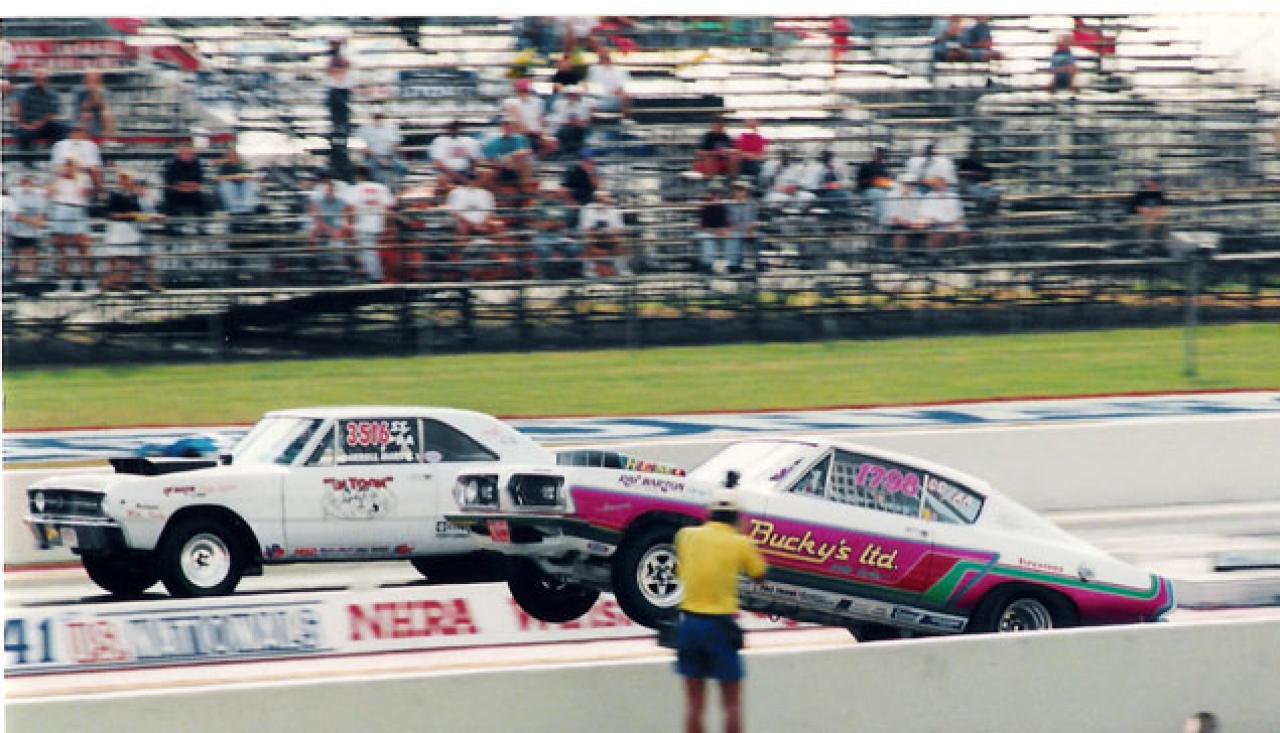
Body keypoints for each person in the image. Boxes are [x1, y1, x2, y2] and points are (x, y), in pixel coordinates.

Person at [673, 485, 767, 733]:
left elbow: (679, 571)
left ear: (709, 513)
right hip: (720, 627)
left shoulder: (686, 536)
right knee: (731, 704)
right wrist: (742, 537)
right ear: (737, 517)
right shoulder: (740, 542)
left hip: (689, 625)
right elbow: (759, 574)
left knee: (694, 705)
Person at [102, 169, 158, 291]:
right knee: (113, 258)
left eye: (127, 180)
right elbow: (111, 215)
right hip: (117, 228)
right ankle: (106, 284)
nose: (125, 182)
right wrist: (128, 215)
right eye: (123, 180)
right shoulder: (114, 194)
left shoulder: (134, 196)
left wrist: (149, 218)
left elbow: (137, 215)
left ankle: (123, 283)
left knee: (131, 259)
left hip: (131, 229)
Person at [47, 157, 95, 291]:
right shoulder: (58, 179)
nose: (68, 167)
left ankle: (88, 283)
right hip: (61, 209)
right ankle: (65, 284)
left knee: (83, 247)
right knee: (61, 248)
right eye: (66, 165)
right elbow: (49, 193)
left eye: (71, 165)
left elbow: (86, 193)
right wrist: (59, 177)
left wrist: (75, 178)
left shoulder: (84, 178)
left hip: (78, 210)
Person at [345, 165, 396, 282]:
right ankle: (372, 275)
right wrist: (388, 225)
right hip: (379, 225)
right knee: (371, 252)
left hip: (362, 226)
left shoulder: (354, 189)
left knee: (368, 252)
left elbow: (350, 209)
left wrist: (350, 226)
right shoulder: (381, 188)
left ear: (357, 176)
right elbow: (389, 207)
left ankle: (376, 278)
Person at [11, 69, 68, 154]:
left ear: (47, 80)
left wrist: (40, 123)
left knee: (63, 128)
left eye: (44, 79)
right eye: (38, 79)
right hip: (26, 125)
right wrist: (23, 124)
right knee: (24, 134)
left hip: (44, 124)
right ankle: (27, 158)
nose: (41, 82)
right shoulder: (23, 93)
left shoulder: (53, 94)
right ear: (33, 79)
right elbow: (16, 109)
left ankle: (55, 153)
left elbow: (53, 113)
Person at [308, 171, 356, 270]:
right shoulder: (318, 197)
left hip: (336, 223)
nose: (329, 191)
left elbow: (349, 212)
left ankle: (347, 261)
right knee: (313, 231)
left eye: (331, 189)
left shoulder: (341, 197)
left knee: (346, 231)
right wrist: (328, 229)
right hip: (323, 224)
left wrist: (345, 226)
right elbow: (315, 216)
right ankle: (314, 260)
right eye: (327, 189)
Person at [6, 173, 48, 283]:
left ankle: (32, 278)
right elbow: (15, 216)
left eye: (29, 183)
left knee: (32, 255)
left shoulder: (39, 196)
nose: (27, 185)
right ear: (21, 183)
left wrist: (37, 222)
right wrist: (32, 221)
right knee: (16, 256)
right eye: (25, 183)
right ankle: (15, 280)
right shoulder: (14, 194)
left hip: (32, 233)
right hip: (16, 232)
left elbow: (41, 215)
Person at [503, 78, 557, 157]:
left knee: (552, 141)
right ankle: (532, 155)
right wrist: (531, 132)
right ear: (517, 91)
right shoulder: (511, 103)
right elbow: (517, 121)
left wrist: (543, 134)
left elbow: (541, 120)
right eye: (521, 90)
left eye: (525, 90)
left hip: (536, 133)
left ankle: (540, 156)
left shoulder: (538, 102)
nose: (523, 92)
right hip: (521, 133)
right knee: (526, 141)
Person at [578, 189, 626, 276]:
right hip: (593, 236)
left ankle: (621, 269)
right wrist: (600, 232)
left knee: (618, 240)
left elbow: (620, 228)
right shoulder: (588, 209)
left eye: (608, 196)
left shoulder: (613, 210)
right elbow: (586, 229)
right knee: (589, 240)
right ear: (598, 198)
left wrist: (607, 232)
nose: (609, 198)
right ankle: (589, 270)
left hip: (609, 236)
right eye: (606, 197)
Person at [357, 111, 406, 192]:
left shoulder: (392, 128)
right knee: (376, 172)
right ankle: (383, 189)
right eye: (376, 117)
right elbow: (363, 148)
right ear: (371, 118)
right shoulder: (363, 129)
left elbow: (396, 145)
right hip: (372, 157)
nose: (378, 119)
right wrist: (380, 160)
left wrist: (390, 158)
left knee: (402, 167)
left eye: (381, 117)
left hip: (390, 156)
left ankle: (397, 187)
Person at [163, 144, 209, 228]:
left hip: (192, 192)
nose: (188, 155)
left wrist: (182, 184)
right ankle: (172, 226)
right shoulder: (171, 163)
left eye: (190, 153)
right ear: (179, 154)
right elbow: (170, 184)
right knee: (169, 195)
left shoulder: (197, 164)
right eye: (185, 153)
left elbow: (199, 184)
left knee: (203, 198)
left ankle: (202, 226)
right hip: (176, 192)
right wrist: (188, 185)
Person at [445, 170, 502, 237]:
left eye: (475, 178)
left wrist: (483, 224)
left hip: (483, 223)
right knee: (462, 226)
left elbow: (490, 213)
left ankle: (495, 243)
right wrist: (472, 225)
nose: (472, 181)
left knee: (498, 225)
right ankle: (462, 243)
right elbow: (455, 214)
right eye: (470, 178)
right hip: (464, 223)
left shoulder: (487, 194)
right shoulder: (455, 193)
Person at [483, 120, 534, 190]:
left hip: (519, 162)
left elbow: (529, 151)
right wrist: (511, 156)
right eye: (506, 127)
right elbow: (492, 159)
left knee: (525, 157)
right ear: (502, 128)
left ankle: (524, 186)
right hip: (502, 162)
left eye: (510, 127)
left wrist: (517, 155)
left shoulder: (521, 139)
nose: (508, 129)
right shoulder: (494, 141)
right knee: (517, 156)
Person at [50, 125, 103, 192]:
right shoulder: (60, 145)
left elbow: (94, 168)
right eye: (75, 131)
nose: (77, 134)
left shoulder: (91, 145)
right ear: (70, 133)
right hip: (63, 177)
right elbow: (55, 167)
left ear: (85, 134)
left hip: (83, 178)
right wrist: (68, 169)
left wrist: (99, 187)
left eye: (79, 131)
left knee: (86, 180)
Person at [430, 121, 483, 185]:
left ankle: (472, 188)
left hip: (465, 171)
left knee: (487, 174)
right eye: (452, 128)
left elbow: (474, 161)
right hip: (446, 173)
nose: (454, 130)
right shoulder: (439, 141)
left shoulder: (469, 141)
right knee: (442, 179)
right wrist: (460, 178)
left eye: (456, 128)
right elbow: (439, 164)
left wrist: (472, 171)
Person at [549, 85, 594, 157]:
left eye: (574, 94)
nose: (572, 96)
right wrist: (567, 122)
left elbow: (584, 123)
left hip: (576, 132)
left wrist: (575, 122)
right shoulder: (559, 104)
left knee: (570, 130)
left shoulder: (583, 107)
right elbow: (553, 118)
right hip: (559, 129)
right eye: (570, 94)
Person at [214, 147, 260, 216]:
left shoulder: (244, 165)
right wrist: (234, 177)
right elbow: (217, 179)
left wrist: (243, 177)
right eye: (230, 155)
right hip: (231, 187)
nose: (232, 157)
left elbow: (253, 176)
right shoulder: (224, 166)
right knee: (226, 185)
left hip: (243, 186)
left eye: (234, 155)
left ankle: (247, 208)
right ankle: (234, 210)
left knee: (250, 184)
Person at [1129, 174, 1170, 251]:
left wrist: (1155, 215)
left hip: (1154, 216)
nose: (1158, 186)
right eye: (1155, 183)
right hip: (1137, 217)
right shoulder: (1140, 192)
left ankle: (1162, 246)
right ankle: (1144, 248)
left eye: (1159, 184)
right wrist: (1151, 215)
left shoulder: (1160, 193)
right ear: (1148, 182)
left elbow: (1164, 208)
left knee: (1165, 219)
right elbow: (1138, 209)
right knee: (1146, 223)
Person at [586, 47, 630, 116]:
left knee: (624, 97)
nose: (604, 55)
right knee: (588, 103)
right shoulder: (593, 69)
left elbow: (626, 87)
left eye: (605, 54)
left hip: (614, 99)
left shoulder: (620, 70)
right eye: (602, 54)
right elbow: (588, 87)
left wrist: (620, 91)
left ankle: (625, 118)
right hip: (596, 98)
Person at [956, 144, 1000, 215]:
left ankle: (990, 212)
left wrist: (987, 183)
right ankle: (985, 211)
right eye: (973, 151)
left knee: (995, 192)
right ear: (970, 152)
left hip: (982, 187)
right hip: (969, 186)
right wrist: (974, 174)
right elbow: (960, 174)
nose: (975, 153)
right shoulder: (965, 162)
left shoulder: (983, 165)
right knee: (983, 192)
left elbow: (988, 179)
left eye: (977, 151)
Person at [856, 147, 894, 223]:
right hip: (867, 190)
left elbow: (888, 181)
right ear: (874, 155)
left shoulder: (883, 167)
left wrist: (886, 183)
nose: (880, 156)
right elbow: (859, 183)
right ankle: (880, 221)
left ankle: (889, 220)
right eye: (878, 154)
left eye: (882, 155)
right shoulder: (866, 166)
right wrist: (872, 181)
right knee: (879, 194)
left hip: (883, 189)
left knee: (892, 194)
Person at [72, 70, 114, 140]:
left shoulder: (105, 92)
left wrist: (95, 93)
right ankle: (83, 139)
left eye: (95, 80)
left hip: (99, 122)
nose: (92, 83)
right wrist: (92, 94)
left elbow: (104, 107)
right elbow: (84, 107)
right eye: (89, 80)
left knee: (106, 114)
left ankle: (107, 139)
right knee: (86, 114)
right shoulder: (79, 92)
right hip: (81, 120)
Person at [325, 38, 353, 136]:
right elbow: (330, 70)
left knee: (341, 109)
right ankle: (338, 126)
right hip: (336, 87)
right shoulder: (332, 58)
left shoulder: (343, 58)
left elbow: (346, 66)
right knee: (337, 109)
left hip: (341, 88)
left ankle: (341, 126)